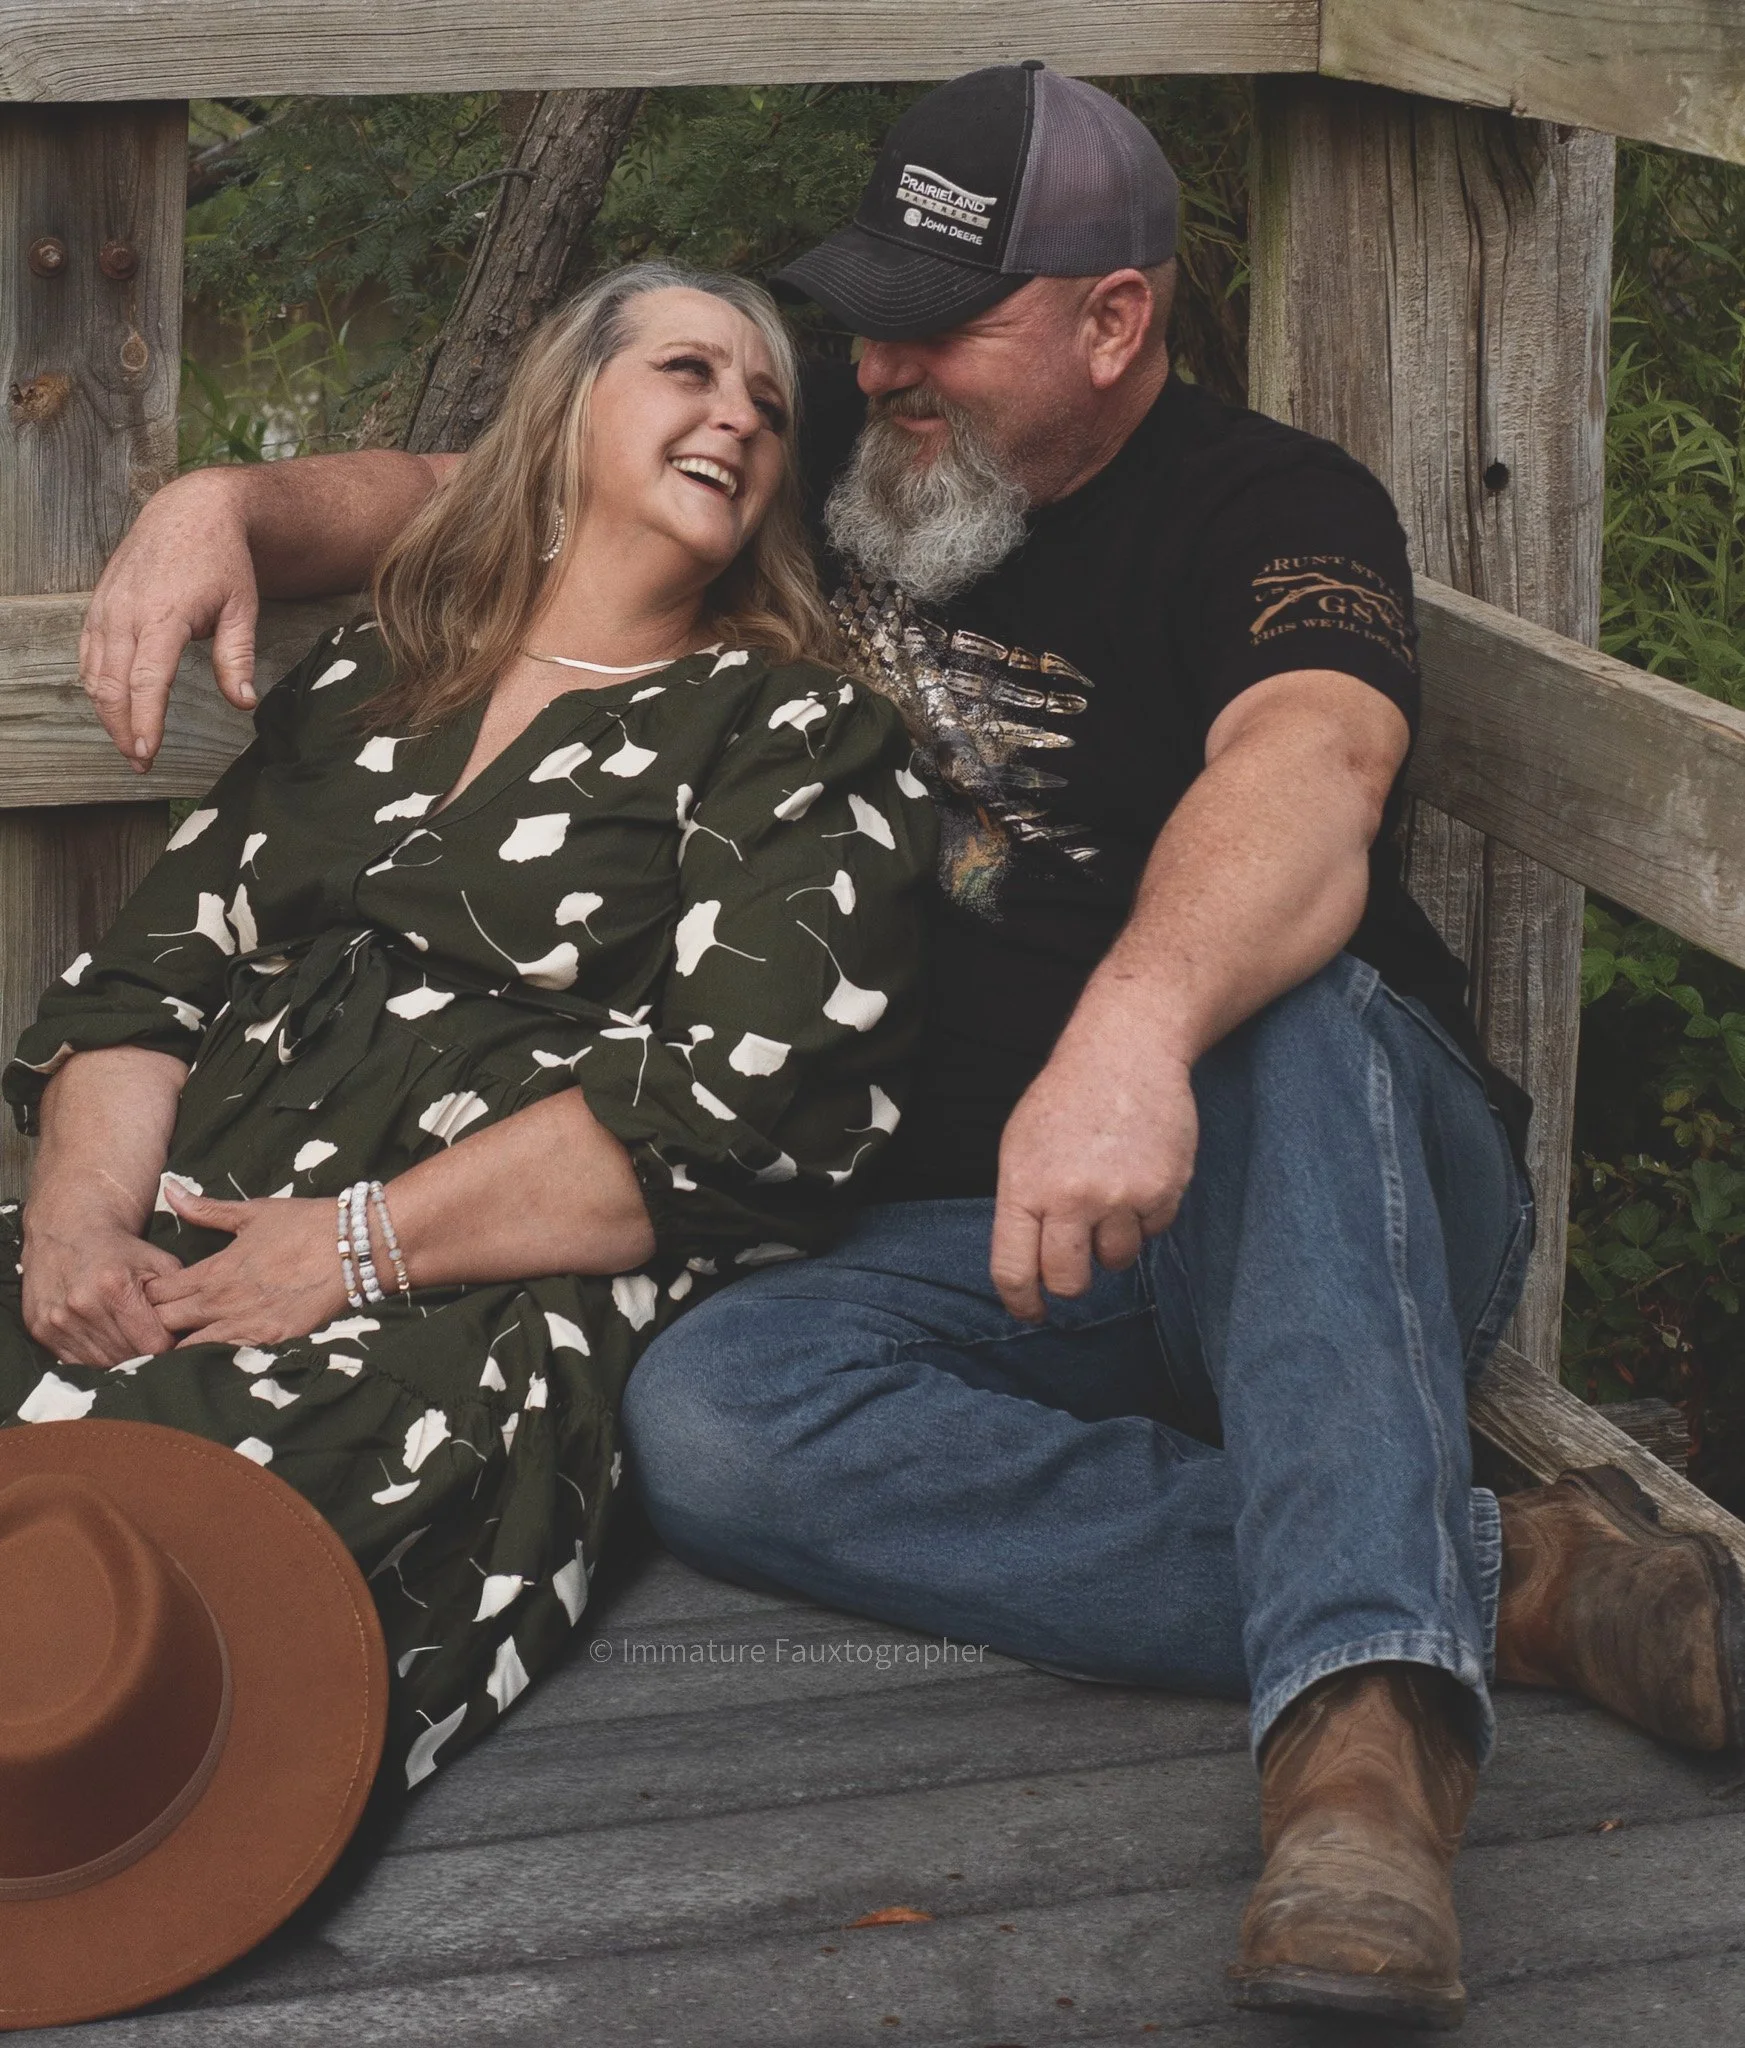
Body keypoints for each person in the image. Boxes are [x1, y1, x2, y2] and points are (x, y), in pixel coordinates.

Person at [75, 70, 1745, 2031]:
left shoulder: (1271, 506)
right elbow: (483, 486)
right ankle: (1510, 1580)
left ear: (1111, 319)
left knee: (1283, 1020)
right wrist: (234, 507)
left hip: (1320, 1182)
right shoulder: (843, 417)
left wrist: (1130, 1028)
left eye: (937, 319)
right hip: (985, 1239)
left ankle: (1362, 1758)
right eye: (863, 305)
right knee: (707, 1411)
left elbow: (1315, 766)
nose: (877, 358)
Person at [2, 261, 934, 1798]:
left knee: (177, 1568)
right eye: (689, 372)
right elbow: (148, 984)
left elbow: (737, 1112)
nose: (737, 418)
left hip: (457, 1290)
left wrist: (350, 1246)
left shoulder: (793, 732)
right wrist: (83, 1223)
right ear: (568, 409)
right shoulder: (383, 672)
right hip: (179, 1225)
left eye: (770, 408)